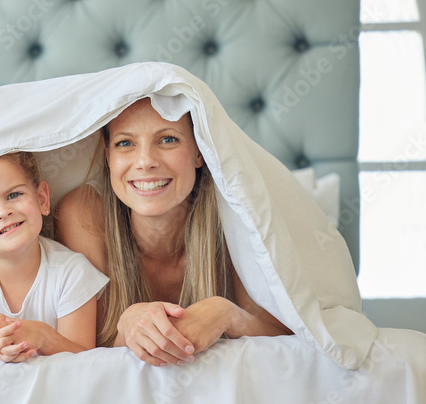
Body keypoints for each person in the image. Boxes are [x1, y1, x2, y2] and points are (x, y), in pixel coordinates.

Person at [55, 98, 292, 368]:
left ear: (199, 152)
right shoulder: (84, 214)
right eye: (125, 143)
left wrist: (228, 314)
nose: (145, 161)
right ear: (109, 157)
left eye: (168, 140)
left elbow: (293, 341)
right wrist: (126, 324)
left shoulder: (235, 214)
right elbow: (87, 355)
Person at [0, 152, 108, 362]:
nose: (2, 212)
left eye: (13, 195)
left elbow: (85, 359)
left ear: (42, 198)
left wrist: (44, 336)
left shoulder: (73, 272)